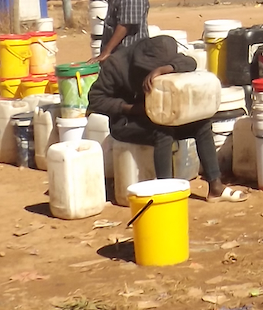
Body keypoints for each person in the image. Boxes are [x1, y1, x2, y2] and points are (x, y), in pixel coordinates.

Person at [86, 34, 243, 200]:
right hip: (127, 120)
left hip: (163, 115)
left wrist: (163, 69)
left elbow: (190, 63)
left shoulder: (165, 56)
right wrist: (133, 109)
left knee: (201, 124)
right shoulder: (116, 65)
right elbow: (96, 99)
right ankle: (167, 192)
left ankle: (215, 186)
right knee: (162, 132)